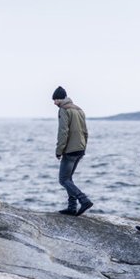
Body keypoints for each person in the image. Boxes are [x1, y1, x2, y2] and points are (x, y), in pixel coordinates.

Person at [52, 86, 93, 216]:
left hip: (70, 149)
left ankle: (84, 200)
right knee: (69, 178)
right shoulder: (79, 109)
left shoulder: (64, 110)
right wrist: (83, 147)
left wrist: (59, 150)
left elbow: (63, 132)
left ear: (60, 99)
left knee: (63, 180)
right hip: (80, 148)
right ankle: (72, 207)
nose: (54, 103)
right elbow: (85, 131)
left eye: (55, 99)